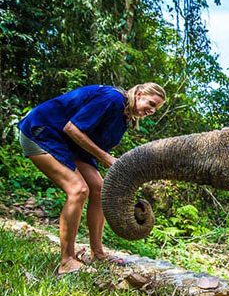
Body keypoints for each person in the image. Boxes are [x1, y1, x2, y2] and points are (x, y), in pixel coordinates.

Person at [17, 83, 166, 276]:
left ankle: (97, 253)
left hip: (69, 145)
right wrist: (106, 158)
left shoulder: (124, 117)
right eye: (151, 103)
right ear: (138, 94)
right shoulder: (112, 99)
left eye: (156, 108)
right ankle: (66, 261)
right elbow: (72, 128)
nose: (152, 110)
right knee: (78, 190)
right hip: (41, 132)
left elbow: (91, 143)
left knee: (99, 189)